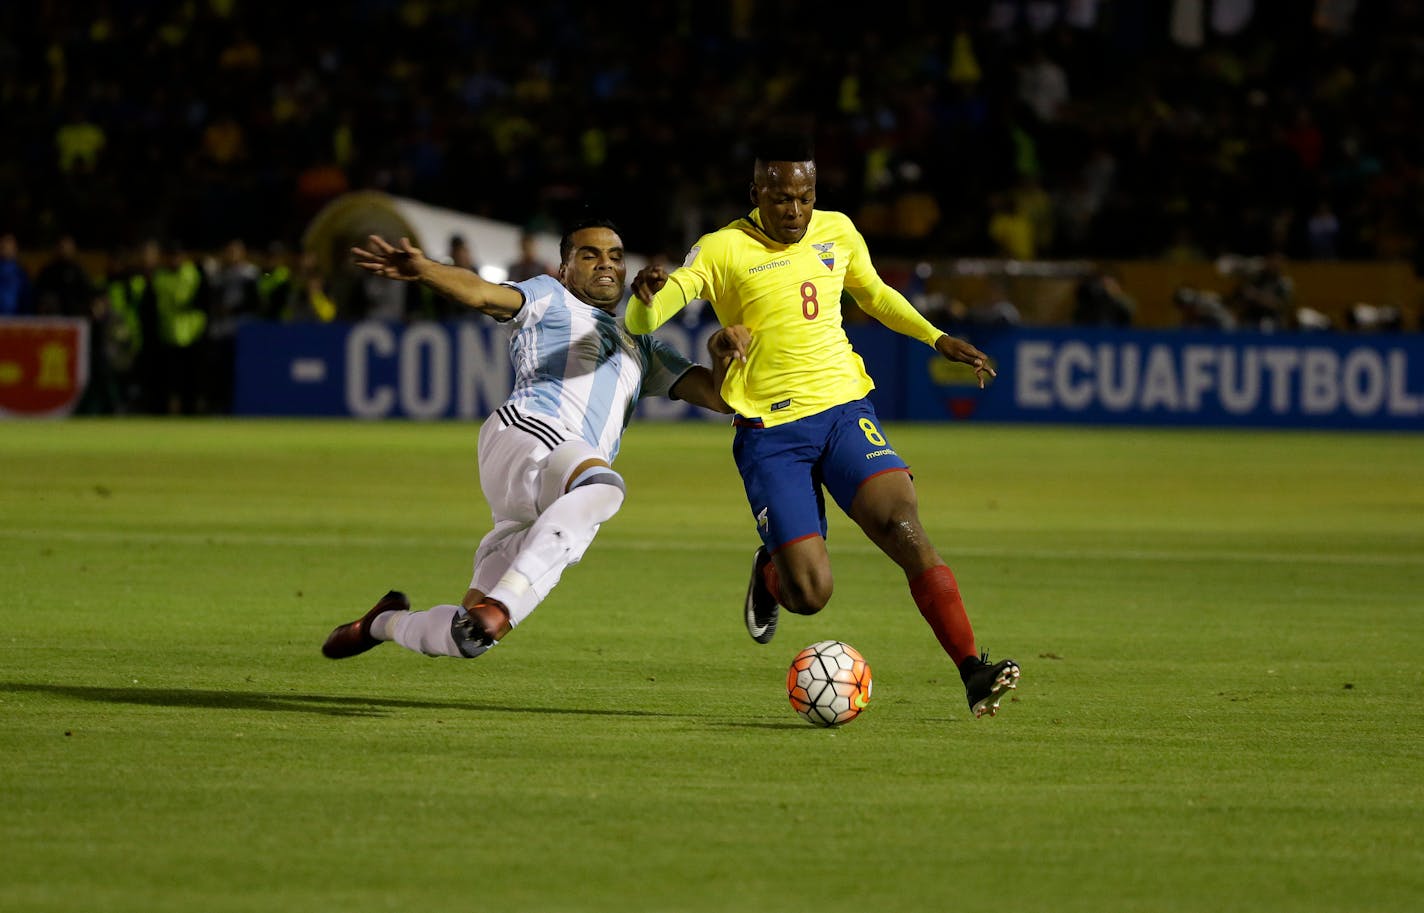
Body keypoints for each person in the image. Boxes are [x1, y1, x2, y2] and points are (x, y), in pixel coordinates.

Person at [626, 130, 1021, 718]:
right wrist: (643, 298)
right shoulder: (721, 248)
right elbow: (649, 316)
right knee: (811, 595)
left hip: (842, 411)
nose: (795, 210)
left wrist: (936, 338)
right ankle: (771, 574)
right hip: (771, 435)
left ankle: (971, 669)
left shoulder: (838, 231)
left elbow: (877, 295)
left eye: (805, 196)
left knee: (903, 525)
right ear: (757, 190)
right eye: (782, 197)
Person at [322, 217, 732, 662]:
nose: (605, 264)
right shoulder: (548, 296)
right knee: (605, 488)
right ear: (563, 269)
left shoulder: (645, 347)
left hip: (558, 495)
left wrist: (720, 356)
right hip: (529, 433)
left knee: (467, 635)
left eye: (614, 255)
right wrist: (425, 270)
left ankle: (383, 623)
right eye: (589, 255)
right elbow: (481, 293)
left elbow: (719, 397)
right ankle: (505, 606)